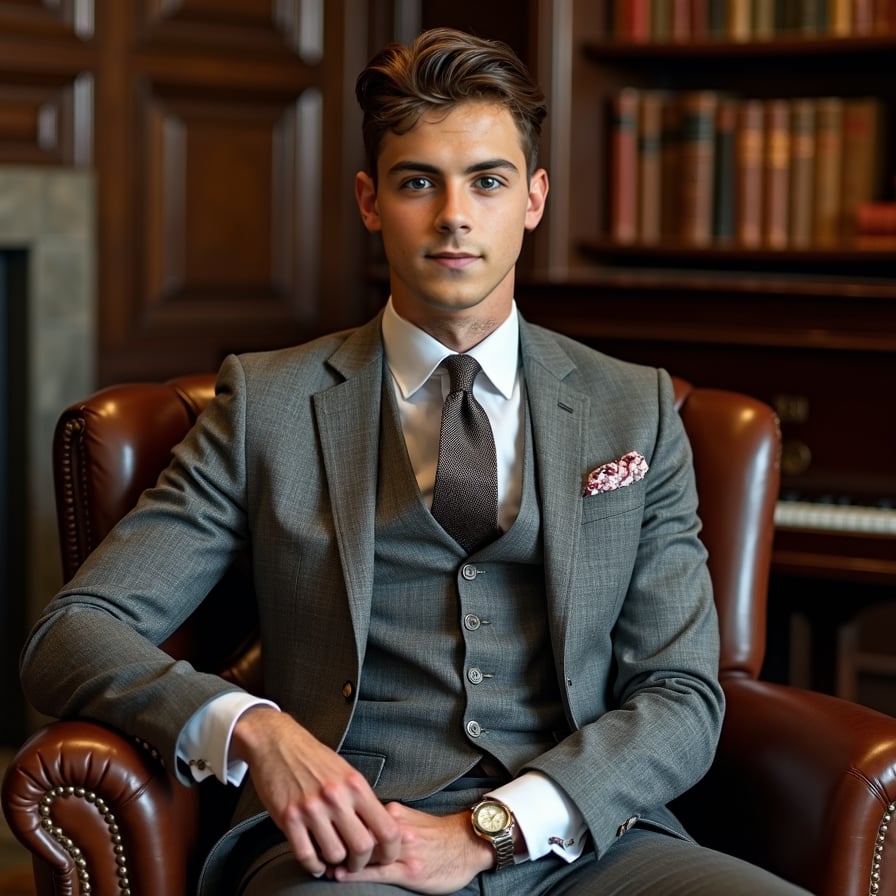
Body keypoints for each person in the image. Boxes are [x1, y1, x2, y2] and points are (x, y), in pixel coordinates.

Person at [21, 27, 810, 896]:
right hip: (351, 847)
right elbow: (71, 634)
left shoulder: (637, 410)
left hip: (585, 842)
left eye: (488, 181)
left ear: (535, 198)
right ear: (369, 200)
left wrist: (492, 830)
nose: (454, 217)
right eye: (417, 182)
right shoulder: (266, 406)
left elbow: (682, 696)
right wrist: (255, 730)